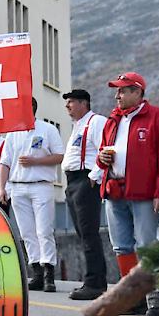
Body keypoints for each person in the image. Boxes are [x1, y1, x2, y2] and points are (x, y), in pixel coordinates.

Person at [97, 72, 159, 316]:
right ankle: (133, 298)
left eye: (122, 91)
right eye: (117, 91)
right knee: (121, 246)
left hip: (143, 194)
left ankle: (157, 299)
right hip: (114, 191)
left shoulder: (158, 117)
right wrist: (102, 159)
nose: (116, 95)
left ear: (138, 92)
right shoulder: (112, 120)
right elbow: (102, 155)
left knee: (147, 246)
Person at [0, 98, 65, 292]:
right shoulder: (13, 133)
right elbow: (6, 162)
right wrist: (2, 187)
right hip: (18, 186)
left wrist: (36, 161)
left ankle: (49, 274)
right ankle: (35, 272)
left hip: (41, 185)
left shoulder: (47, 129)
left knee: (44, 230)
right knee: (26, 232)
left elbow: (59, 156)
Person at [61, 90, 108, 300]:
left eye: (71, 102)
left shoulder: (96, 122)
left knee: (89, 233)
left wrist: (94, 177)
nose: (67, 105)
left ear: (84, 103)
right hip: (73, 182)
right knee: (83, 234)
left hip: (84, 181)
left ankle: (94, 284)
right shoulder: (77, 126)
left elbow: (105, 150)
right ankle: (95, 281)